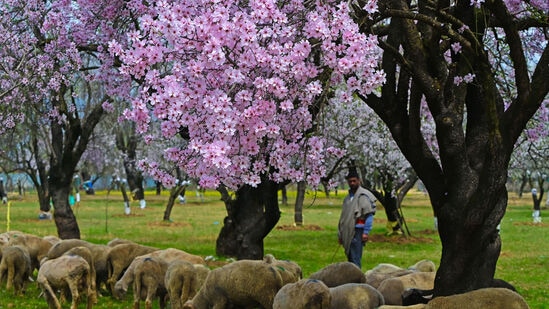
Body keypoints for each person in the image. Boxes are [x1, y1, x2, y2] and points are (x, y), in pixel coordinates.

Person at [338, 169, 377, 269]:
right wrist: (340, 234)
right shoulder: (347, 198)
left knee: (355, 258)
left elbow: (368, 215)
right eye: (350, 181)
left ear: (359, 181)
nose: (352, 183)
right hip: (347, 231)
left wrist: (366, 232)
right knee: (350, 257)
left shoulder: (363, 196)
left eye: (354, 181)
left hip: (357, 231)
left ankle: (357, 280)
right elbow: (343, 217)